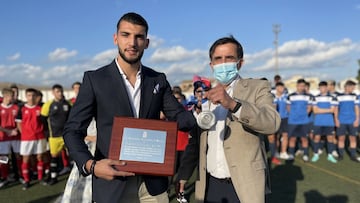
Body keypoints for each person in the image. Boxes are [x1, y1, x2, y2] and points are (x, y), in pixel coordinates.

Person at [63, 12, 196, 203]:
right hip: (113, 180)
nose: (132, 43)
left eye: (139, 37)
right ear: (115, 38)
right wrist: (91, 165)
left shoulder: (158, 79)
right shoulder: (95, 80)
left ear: (147, 43)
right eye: (126, 35)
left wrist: (200, 113)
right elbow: (72, 131)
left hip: (152, 183)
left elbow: (179, 117)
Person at [177, 36, 280, 203]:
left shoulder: (257, 87)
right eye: (218, 59)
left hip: (245, 184)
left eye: (229, 58)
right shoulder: (204, 94)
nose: (223, 63)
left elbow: (272, 123)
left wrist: (233, 104)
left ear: (240, 63)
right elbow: (197, 141)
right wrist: (183, 175)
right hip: (210, 184)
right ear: (211, 65)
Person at [16, 88, 47, 190]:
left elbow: (44, 122)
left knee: (40, 157)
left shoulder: (40, 108)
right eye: (29, 95)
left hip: (40, 136)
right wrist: (25, 133)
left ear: (36, 96)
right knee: (26, 159)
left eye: (33, 95)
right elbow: (19, 123)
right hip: (27, 138)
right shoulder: (21, 109)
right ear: (26, 96)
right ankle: (26, 180)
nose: (31, 97)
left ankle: (40, 177)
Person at [41, 84, 72, 185]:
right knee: (54, 157)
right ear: (53, 93)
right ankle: (53, 177)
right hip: (54, 136)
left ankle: (77, 175)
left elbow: (73, 118)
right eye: (57, 92)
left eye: (61, 91)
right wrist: (47, 132)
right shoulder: (48, 105)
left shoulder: (68, 104)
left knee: (73, 155)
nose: (60, 93)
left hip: (67, 135)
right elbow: (42, 119)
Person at [311, 81, 338, 163]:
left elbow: (333, 110)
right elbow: (315, 111)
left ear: (326, 88)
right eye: (320, 87)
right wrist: (328, 110)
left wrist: (320, 110)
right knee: (317, 138)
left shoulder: (332, 98)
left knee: (330, 138)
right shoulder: (315, 98)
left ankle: (330, 155)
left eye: (323, 87)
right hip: (318, 122)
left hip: (329, 122)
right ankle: (316, 154)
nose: (322, 89)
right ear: (319, 88)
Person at [335, 80, 360, 162]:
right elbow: (336, 109)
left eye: (354, 88)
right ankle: (341, 155)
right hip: (341, 120)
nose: (353, 89)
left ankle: (353, 155)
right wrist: (336, 120)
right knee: (341, 138)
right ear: (346, 87)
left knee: (353, 138)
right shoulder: (338, 96)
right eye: (352, 87)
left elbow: (356, 108)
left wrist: (357, 119)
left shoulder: (355, 96)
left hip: (352, 121)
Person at [0, 88, 20, 188]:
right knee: (4, 158)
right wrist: (8, 131)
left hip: (16, 137)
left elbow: (19, 122)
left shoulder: (16, 107)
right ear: (6, 96)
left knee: (18, 156)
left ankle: (20, 175)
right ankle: (5, 177)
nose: (14, 97)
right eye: (12, 96)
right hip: (3, 138)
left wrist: (16, 129)